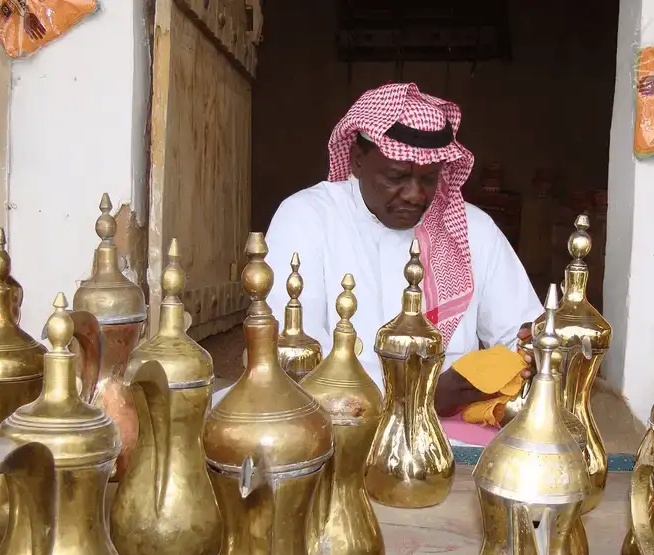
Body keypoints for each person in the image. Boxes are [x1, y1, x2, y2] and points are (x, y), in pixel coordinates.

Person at [218, 83, 543, 418]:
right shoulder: (307, 218)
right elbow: (292, 360)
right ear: (358, 161)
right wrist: (415, 397)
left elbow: (522, 335)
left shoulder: (474, 229)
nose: (415, 195)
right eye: (396, 177)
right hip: (335, 424)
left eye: (429, 179)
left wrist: (525, 352)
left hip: (455, 428)